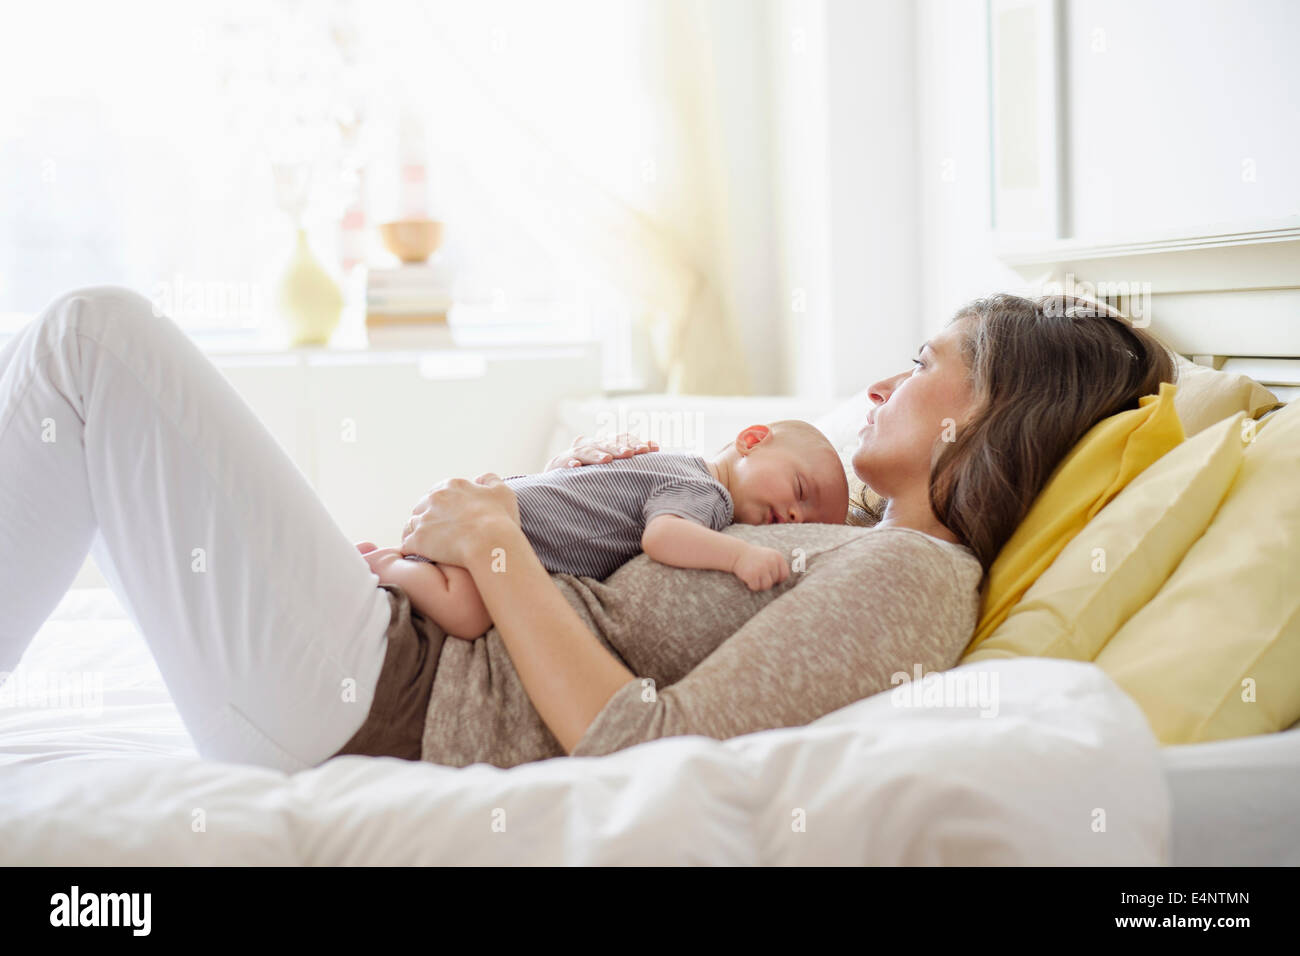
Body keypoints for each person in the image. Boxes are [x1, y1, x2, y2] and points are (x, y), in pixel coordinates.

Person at [0, 287, 1173, 772]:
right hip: (379, 648)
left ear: (979, 417)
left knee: (90, 341)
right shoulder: (842, 526)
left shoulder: (913, 579)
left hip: (382, 693)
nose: (886, 378)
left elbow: (647, 745)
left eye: (926, 363)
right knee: (85, 382)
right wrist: (572, 499)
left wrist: (498, 538)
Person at [353, 420, 850, 639]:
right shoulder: (708, 494)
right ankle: (386, 565)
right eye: (800, 489)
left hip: (504, 515)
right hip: (504, 530)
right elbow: (663, 538)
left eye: (808, 522)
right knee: (468, 613)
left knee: (462, 594)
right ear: (751, 440)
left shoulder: (674, 460)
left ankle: (394, 560)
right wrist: (739, 556)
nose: (795, 518)